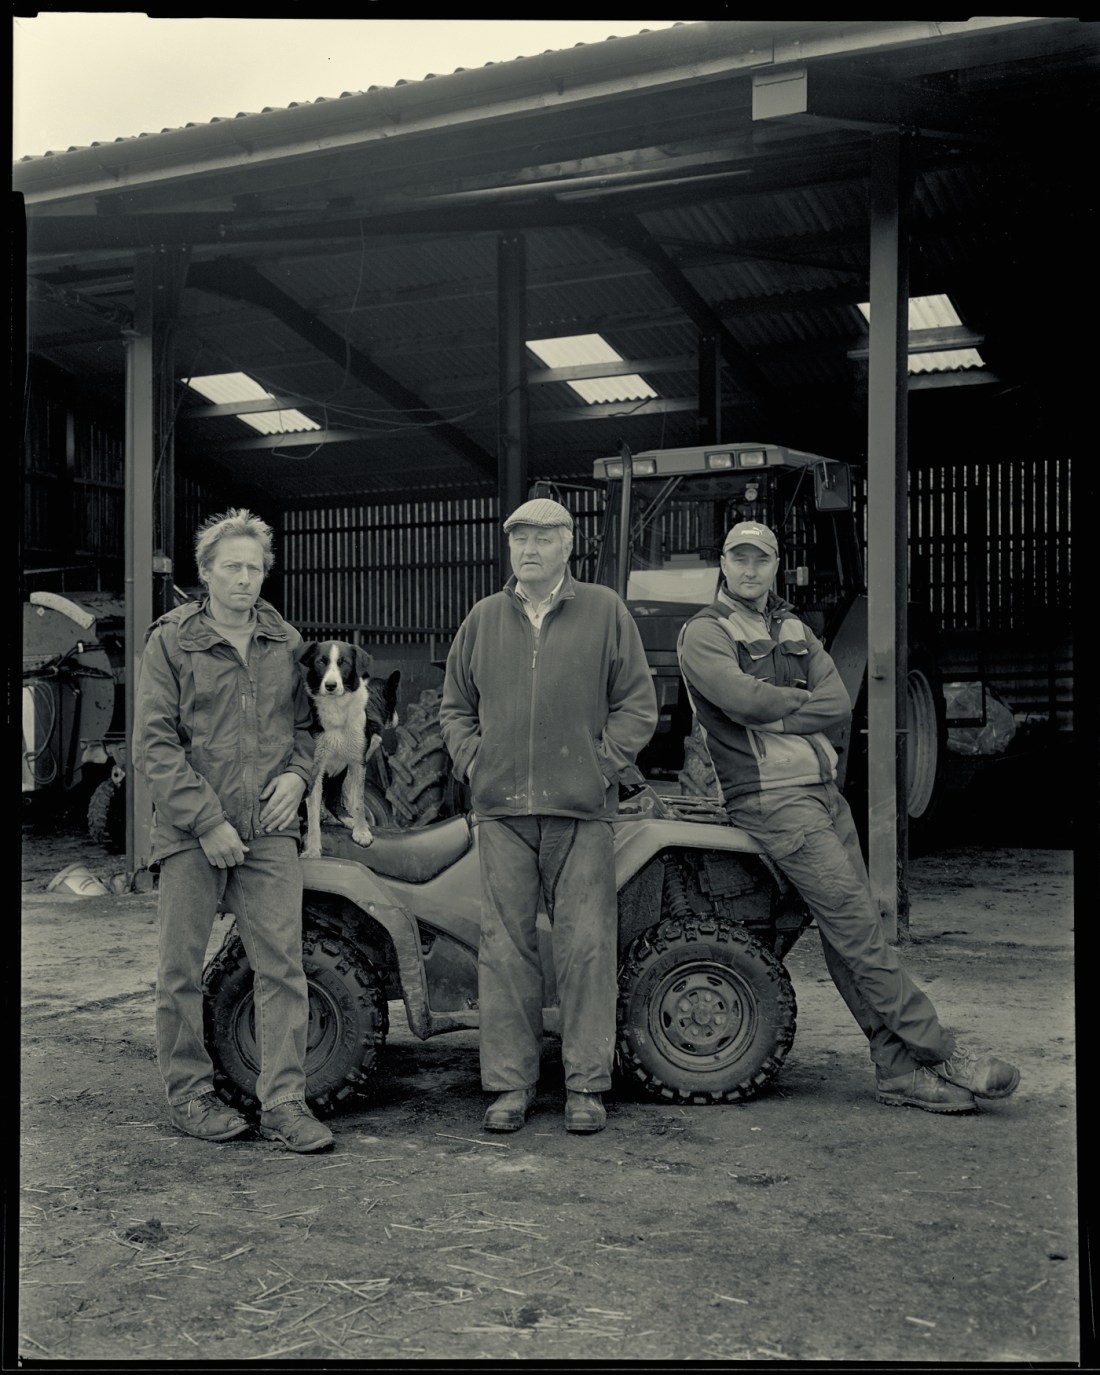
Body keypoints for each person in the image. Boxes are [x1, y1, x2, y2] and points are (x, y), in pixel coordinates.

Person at [676, 520, 1020, 1114]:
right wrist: (790, 709)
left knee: (851, 938)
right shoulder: (703, 632)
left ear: (776, 565)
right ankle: (940, 1053)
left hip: (823, 796)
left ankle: (896, 1073)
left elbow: (838, 702)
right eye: (740, 559)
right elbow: (740, 700)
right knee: (859, 930)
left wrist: (776, 713)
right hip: (772, 801)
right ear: (724, 565)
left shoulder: (793, 627)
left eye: (761, 559)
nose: (750, 569)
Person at [440, 498, 658, 1135]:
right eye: (519, 539)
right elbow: (455, 706)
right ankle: (511, 1086)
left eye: (542, 538)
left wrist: (601, 766)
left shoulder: (604, 612)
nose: (529, 549)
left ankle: (586, 1085)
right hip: (503, 811)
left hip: (581, 811)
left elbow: (637, 704)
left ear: (569, 546)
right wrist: (475, 762)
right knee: (504, 951)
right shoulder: (483, 619)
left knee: (586, 947)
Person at [133, 507, 334, 1153]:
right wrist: (209, 819)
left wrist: (299, 779)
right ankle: (190, 1095)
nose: (245, 579)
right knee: (179, 970)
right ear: (206, 571)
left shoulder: (284, 640)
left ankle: (283, 1102)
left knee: (282, 968)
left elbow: (306, 729)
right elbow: (154, 744)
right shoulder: (171, 640)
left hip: (270, 828)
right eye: (232, 567)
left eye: (255, 567)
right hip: (194, 829)